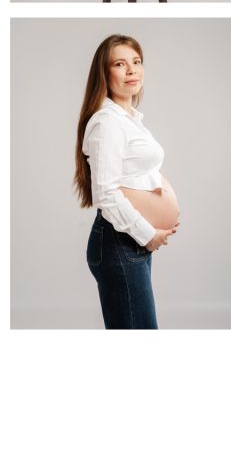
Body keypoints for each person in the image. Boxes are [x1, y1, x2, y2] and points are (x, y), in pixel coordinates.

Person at [74, 34, 180, 330]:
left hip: (130, 243)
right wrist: (148, 233)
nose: (132, 70)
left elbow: (135, 174)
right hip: (121, 241)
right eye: (120, 64)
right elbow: (106, 194)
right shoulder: (108, 123)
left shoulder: (128, 119)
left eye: (136, 62)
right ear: (105, 74)